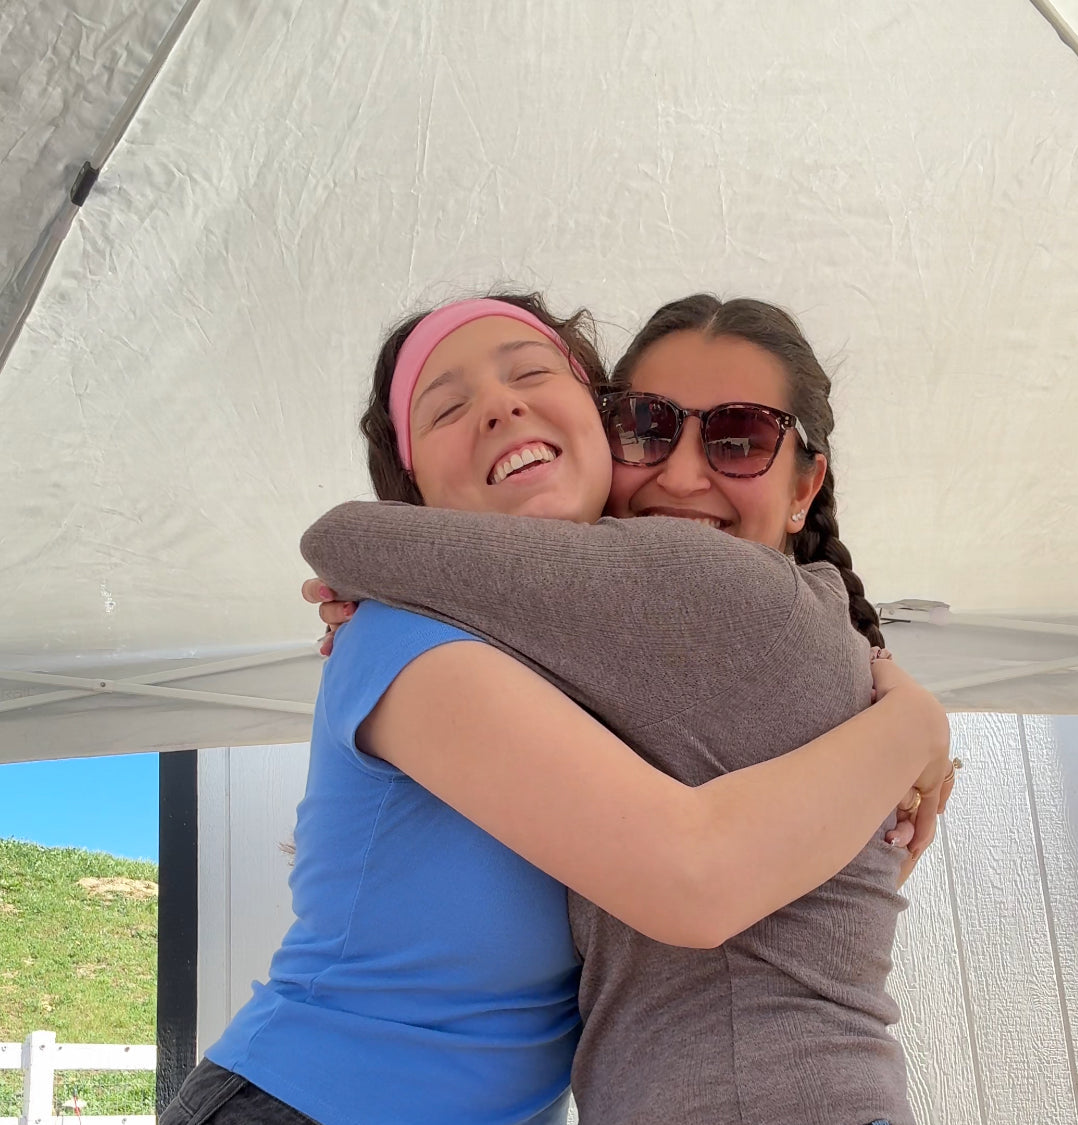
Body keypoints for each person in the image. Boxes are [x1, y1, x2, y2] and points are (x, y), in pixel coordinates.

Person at [165, 295, 950, 1125]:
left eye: (739, 438)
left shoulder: (698, 630)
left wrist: (913, 722)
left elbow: (344, 537)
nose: (684, 474)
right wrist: (912, 721)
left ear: (803, 488)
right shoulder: (416, 640)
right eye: (648, 427)